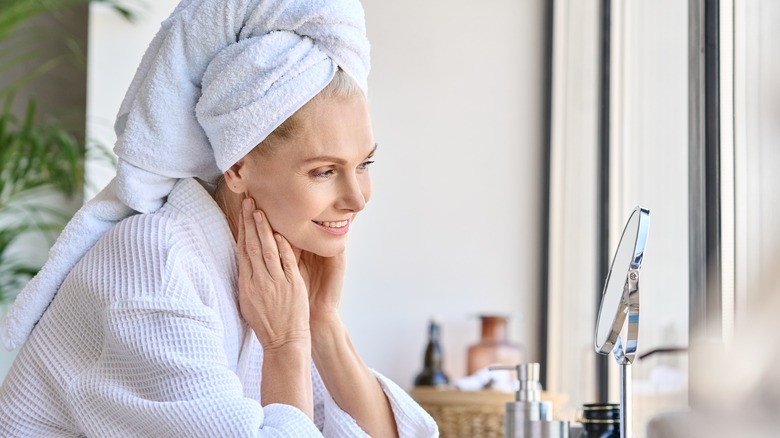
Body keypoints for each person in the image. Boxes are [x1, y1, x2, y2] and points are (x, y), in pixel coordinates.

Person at [0, 0, 438, 436]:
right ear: (237, 166)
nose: (357, 199)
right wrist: (285, 346)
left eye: (364, 164)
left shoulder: (272, 276)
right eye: (324, 171)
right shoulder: (154, 263)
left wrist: (321, 321)